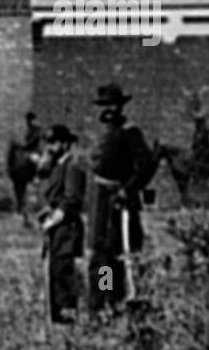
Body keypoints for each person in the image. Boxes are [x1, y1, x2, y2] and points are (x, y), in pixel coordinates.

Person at [84, 83, 156, 318]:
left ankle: (119, 300)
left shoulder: (130, 132)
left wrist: (128, 190)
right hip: (100, 201)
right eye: (105, 106)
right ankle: (100, 302)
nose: (109, 110)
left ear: (121, 107)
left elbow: (145, 166)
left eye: (113, 105)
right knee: (99, 252)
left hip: (120, 203)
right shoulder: (103, 132)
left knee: (119, 253)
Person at [36, 124, 86, 324]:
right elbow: (55, 197)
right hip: (56, 230)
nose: (50, 147)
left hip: (67, 229)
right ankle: (57, 320)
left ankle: (68, 319)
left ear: (65, 144)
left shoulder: (72, 166)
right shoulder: (57, 167)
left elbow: (71, 201)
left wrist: (52, 220)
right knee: (55, 276)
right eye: (49, 142)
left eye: (55, 143)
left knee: (65, 277)